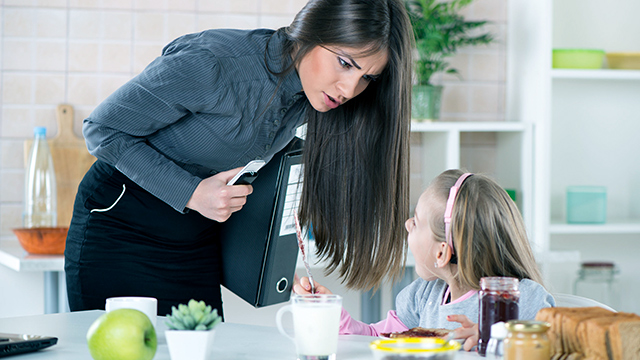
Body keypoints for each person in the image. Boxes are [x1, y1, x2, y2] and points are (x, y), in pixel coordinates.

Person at [64, 0, 413, 317]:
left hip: (194, 241)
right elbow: (102, 129)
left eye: (366, 77)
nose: (350, 89)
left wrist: (271, 264)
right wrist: (192, 193)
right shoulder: (214, 64)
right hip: (118, 229)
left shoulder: (310, 100)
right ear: (311, 31)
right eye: (344, 63)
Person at [294, 169, 556, 351]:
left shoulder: (521, 299)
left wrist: (496, 340)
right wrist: (334, 317)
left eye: (416, 222)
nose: (407, 224)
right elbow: (382, 338)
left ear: (441, 253)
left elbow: (557, 347)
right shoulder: (422, 296)